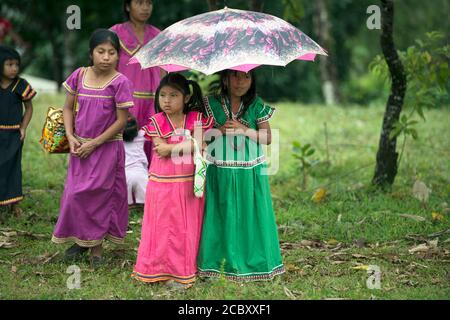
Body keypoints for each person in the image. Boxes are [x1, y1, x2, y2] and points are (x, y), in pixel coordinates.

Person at [51, 29, 134, 267]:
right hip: (79, 146)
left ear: (118, 56)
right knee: (76, 195)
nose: (106, 57)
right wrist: (70, 136)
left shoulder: (121, 82)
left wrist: (95, 144)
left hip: (106, 148)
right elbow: (67, 108)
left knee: (99, 196)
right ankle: (81, 240)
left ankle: (96, 251)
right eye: (101, 51)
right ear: (91, 53)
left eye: (112, 52)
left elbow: (121, 121)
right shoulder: (79, 75)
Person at [197, 70, 285, 282]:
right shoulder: (210, 103)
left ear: (253, 80)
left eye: (246, 77)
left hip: (249, 171)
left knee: (250, 213)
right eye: (235, 76)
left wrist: (244, 130)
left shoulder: (256, 105)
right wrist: (219, 130)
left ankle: (255, 263)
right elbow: (200, 137)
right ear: (225, 78)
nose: (240, 81)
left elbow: (267, 138)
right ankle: (216, 264)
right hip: (220, 169)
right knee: (220, 212)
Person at [131, 73, 213, 288]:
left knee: (184, 229)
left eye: (174, 95)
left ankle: (182, 273)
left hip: (189, 184)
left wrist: (174, 147)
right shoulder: (156, 121)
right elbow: (161, 149)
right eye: (163, 95)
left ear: (186, 98)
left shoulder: (196, 118)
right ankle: (156, 271)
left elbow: (200, 145)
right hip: (162, 185)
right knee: (160, 228)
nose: (166, 100)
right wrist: (188, 144)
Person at [110, 0, 163, 164]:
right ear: (127, 6)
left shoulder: (159, 35)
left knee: (152, 148)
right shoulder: (114, 33)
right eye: (139, 3)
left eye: (149, 3)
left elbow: (163, 72)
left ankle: (149, 189)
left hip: (152, 104)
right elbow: (107, 70)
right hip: (124, 102)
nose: (145, 7)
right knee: (123, 148)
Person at [0, 45, 35, 217]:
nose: (14, 68)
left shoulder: (21, 85)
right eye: (9, 64)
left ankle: (14, 204)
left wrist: (23, 127)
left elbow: (29, 108)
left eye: (16, 65)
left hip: (13, 134)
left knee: (13, 168)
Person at [123, 115, 148, 207]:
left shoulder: (118, 139)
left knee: (125, 203)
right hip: (140, 172)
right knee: (147, 202)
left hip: (124, 173)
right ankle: (142, 209)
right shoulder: (141, 135)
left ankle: (129, 208)